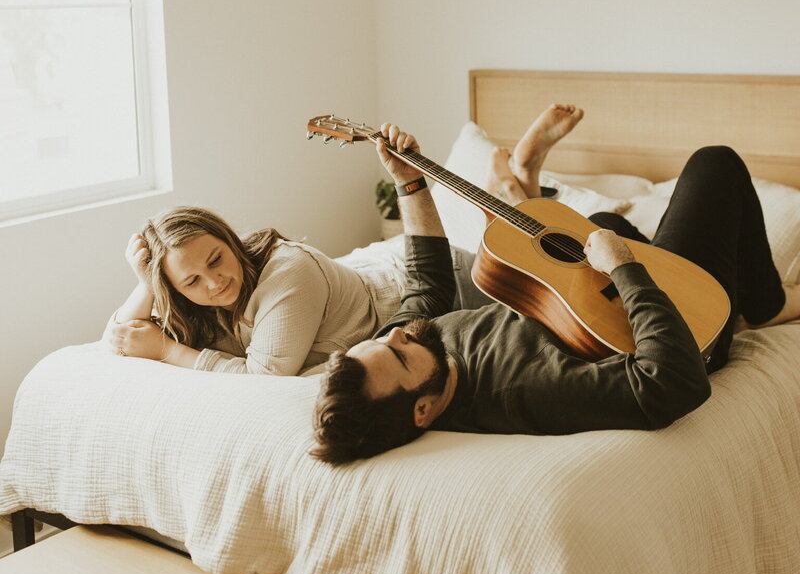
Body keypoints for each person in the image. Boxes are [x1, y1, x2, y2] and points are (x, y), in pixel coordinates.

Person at [311, 120, 800, 464]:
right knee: (715, 164)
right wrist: (625, 270)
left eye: (381, 339)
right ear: (422, 411)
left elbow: (426, 285)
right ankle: (763, 305)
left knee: (603, 223)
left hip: (582, 307)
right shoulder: (525, 388)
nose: (400, 336)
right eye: (398, 356)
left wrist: (410, 183)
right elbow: (674, 381)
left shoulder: (408, 355)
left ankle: (524, 191)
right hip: (682, 325)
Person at [103, 108, 585, 373]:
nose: (214, 282)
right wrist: (147, 281)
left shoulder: (285, 273)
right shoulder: (188, 290)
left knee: (563, 268)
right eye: (191, 281)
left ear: (230, 241)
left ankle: (518, 185)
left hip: (437, 285)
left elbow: (265, 377)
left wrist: (169, 352)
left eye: (217, 259)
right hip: (385, 275)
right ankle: (519, 181)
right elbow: (120, 338)